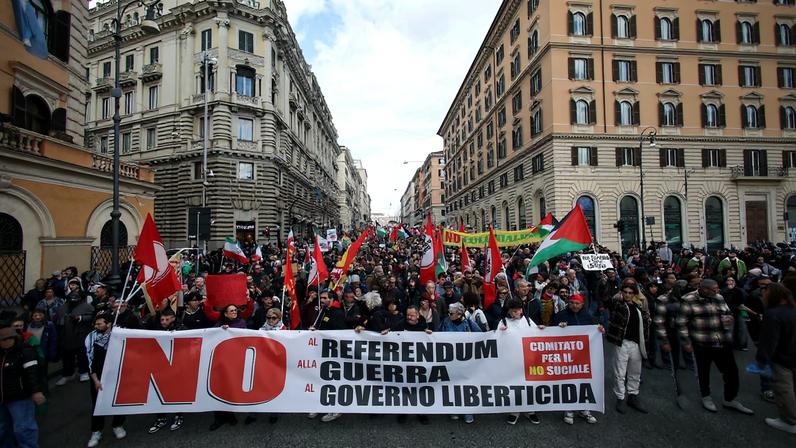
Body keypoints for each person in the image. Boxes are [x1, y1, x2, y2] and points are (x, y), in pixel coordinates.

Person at [678, 279, 754, 415]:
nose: (718, 291)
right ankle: (706, 396)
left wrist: (728, 319)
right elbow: (681, 323)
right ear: (705, 289)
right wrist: (686, 342)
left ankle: (730, 399)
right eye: (715, 289)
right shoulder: (688, 299)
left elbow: (727, 312)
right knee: (703, 372)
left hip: (722, 341)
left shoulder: (718, 297)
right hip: (702, 342)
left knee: (731, 371)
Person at [755, 281, 796, 434]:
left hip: (781, 357)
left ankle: (790, 420)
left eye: (764, 292)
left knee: (784, 389)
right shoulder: (793, 309)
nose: (763, 295)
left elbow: (769, 341)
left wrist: (762, 359)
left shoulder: (773, 314)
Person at [554, 294, 599, 424]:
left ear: (582, 304)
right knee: (569, 382)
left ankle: (584, 409)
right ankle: (568, 409)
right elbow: (552, 333)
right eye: (572, 302)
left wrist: (599, 330)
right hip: (567, 356)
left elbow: (593, 332)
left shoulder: (587, 317)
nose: (574, 305)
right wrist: (559, 328)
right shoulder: (561, 315)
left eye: (577, 303)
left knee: (584, 381)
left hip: (583, 355)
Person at [607, 279, 650, 414]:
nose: (627, 295)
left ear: (634, 294)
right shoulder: (618, 305)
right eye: (625, 292)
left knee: (635, 372)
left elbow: (646, 320)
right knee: (620, 372)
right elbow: (610, 301)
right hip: (622, 343)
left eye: (630, 292)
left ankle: (633, 395)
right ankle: (620, 397)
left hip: (637, 344)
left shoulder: (639, 307)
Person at [0, 322, 45, 448]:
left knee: (23, 428)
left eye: (9, 338)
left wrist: (36, 391)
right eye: (3, 339)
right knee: (3, 428)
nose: (6, 341)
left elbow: (33, 373)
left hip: (20, 398)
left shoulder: (25, 351)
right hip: (2, 399)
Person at [85, 313, 126, 447]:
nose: (96, 326)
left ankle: (118, 425)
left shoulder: (118, 334)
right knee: (98, 404)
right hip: (98, 376)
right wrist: (95, 380)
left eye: (99, 324)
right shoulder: (91, 337)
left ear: (108, 324)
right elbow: (89, 360)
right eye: (95, 324)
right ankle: (96, 431)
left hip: (116, 374)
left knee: (119, 401)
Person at [500, 298, 541, 426]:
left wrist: (541, 328)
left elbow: (538, 335)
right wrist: (500, 332)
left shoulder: (528, 321)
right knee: (515, 386)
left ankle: (530, 410)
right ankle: (514, 411)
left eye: (516, 311)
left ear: (521, 310)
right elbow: (497, 340)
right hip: (512, 360)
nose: (514, 314)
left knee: (530, 385)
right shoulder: (504, 322)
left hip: (528, 359)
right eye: (512, 311)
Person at [440, 302, 480, 424]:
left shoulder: (469, 323)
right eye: (448, 312)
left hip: (466, 360)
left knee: (466, 385)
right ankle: (454, 409)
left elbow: (481, 336)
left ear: (459, 314)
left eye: (451, 313)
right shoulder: (446, 322)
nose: (449, 314)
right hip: (450, 359)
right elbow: (437, 335)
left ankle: (468, 411)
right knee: (452, 384)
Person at [147, 309, 186, 434]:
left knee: (176, 392)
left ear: (173, 318)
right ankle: (161, 417)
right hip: (160, 365)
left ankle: (178, 415)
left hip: (176, 364)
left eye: (167, 319)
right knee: (158, 392)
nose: (164, 322)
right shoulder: (156, 329)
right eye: (162, 319)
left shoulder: (182, 329)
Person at [209, 305, 246, 431]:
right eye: (231, 311)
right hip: (221, 361)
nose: (234, 312)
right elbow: (212, 337)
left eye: (235, 310)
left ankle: (230, 415)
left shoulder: (241, 323)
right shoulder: (219, 324)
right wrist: (220, 330)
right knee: (219, 388)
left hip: (235, 360)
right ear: (225, 314)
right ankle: (218, 418)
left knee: (230, 388)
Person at [55, 291, 94, 386]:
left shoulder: (87, 306)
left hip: (81, 335)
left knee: (82, 355)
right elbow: (56, 318)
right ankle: (68, 374)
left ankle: (83, 372)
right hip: (66, 335)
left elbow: (92, 316)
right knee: (67, 357)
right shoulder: (62, 307)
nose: (73, 300)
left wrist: (81, 318)